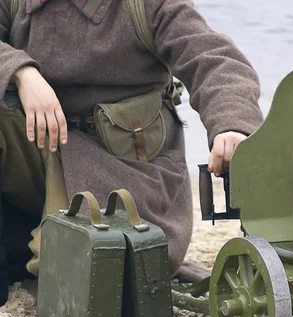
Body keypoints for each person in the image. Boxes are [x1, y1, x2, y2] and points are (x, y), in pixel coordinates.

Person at [0, 0, 264, 283]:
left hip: (123, 174)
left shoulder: (146, 5)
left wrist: (231, 127)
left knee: (74, 276)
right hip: (41, 149)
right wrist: (21, 71)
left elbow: (215, 60)